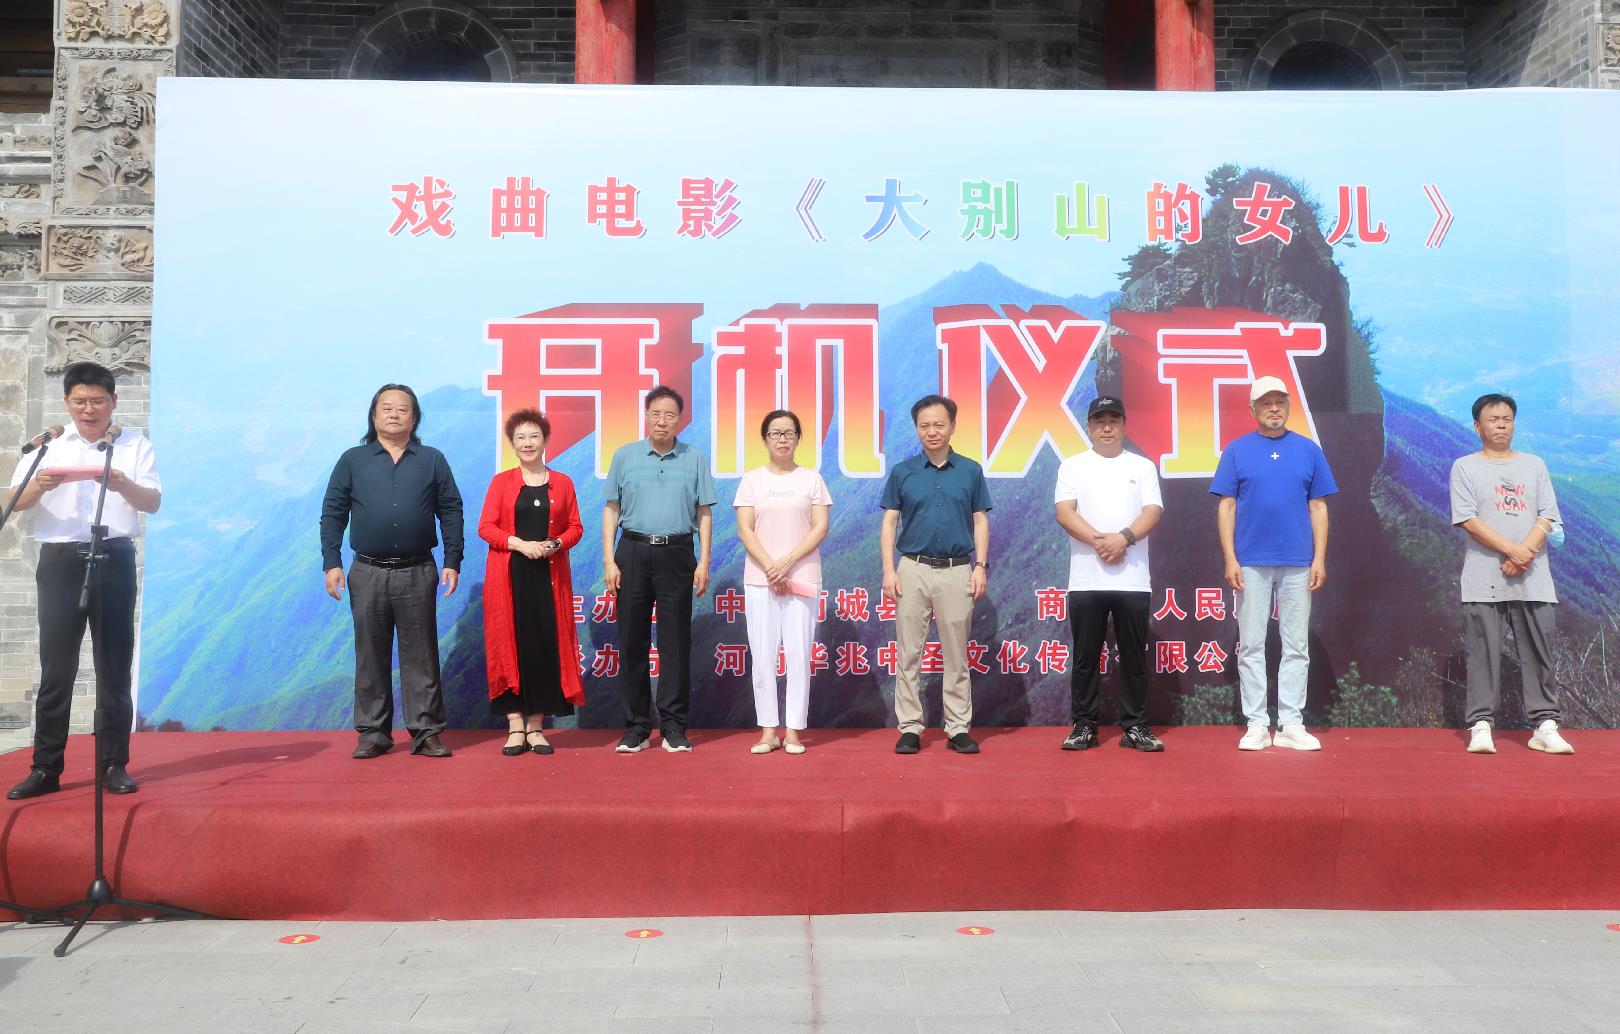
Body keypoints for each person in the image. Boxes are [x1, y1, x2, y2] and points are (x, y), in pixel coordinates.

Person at [6, 362, 160, 799]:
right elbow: (14, 502)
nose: (88, 409)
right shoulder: (49, 446)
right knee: (56, 668)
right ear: (67, 403)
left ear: (113, 401)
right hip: (59, 562)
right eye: (80, 401)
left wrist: (123, 484)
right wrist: (40, 485)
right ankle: (45, 768)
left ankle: (113, 764)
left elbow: (152, 502)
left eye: (97, 401)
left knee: (114, 665)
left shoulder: (134, 445)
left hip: (114, 557)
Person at [320, 384, 463, 760]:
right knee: (370, 654)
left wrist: (452, 560)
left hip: (418, 570)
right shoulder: (353, 460)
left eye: (403, 409)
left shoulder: (432, 459)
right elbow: (333, 513)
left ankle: (426, 732)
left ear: (414, 418)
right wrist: (331, 562)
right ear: (374, 415)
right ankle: (373, 733)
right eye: (387, 408)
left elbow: (451, 510)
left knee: (421, 655)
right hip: (367, 571)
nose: (394, 414)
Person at [1210, 375, 1337, 752]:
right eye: (1266, 403)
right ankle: (1256, 724)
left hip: (1298, 561)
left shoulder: (1308, 450)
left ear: (1289, 406)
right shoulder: (1237, 451)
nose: (1274, 409)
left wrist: (1319, 557)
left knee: (1296, 645)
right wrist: (1230, 557)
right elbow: (1226, 506)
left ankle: (1291, 724)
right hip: (1251, 561)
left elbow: (1318, 506)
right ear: (1253, 409)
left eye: (1280, 402)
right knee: (1251, 644)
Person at [1449, 393, 1574, 755]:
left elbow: (1548, 515)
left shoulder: (1534, 465)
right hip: (1482, 578)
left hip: (1533, 578)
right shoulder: (1465, 467)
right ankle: (1481, 725)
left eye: (1507, 419)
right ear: (1478, 427)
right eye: (1493, 419)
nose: (1501, 425)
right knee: (1482, 654)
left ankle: (1545, 725)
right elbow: (1468, 519)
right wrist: (1512, 550)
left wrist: (1523, 554)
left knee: (1539, 652)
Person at [603, 386, 715, 753]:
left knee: (675, 643)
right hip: (632, 551)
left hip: (678, 554)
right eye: (656, 414)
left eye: (670, 415)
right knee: (631, 642)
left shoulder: (693, 457)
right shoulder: (625, 456)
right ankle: (636, 727)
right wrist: (609, 560)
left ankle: (673, 727)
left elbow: (704, 512)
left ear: (680, 419)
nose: (662, 421)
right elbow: (612, 509)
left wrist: (704, 561)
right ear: (646, 416)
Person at [880, 394, 991, 755]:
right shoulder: (903, 472)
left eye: (939, 424)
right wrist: (888, 570)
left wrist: (980, 566)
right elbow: (890, 522)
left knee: (956, 654)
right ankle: (910, 727)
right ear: (916, 429)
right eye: (924, 425)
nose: (932, 431)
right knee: (908, 653)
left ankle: (957, 727)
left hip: (957, 570)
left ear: (953, 426)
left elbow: (980, 520)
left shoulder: (970, 470)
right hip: (911, 569)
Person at [1053, 396, 1165, 752]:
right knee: (1086, 657)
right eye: (1099, 421)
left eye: (1113, 421)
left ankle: (1135, 726)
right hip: (1086, 579)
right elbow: (1064, 513)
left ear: (1123, 425)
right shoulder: (1073, 466)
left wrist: (1124, 538)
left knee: (1133, 656)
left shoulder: (1142, 467)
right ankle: (1084, 725)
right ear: (1089, 427)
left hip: (1133, 579)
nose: (1106, 428)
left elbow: (1152, 512)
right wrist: (1102, 542)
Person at [478, 409, 585, 756]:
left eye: (534, 436)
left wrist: (556, 544)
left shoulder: (563, 482)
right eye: (520, 437)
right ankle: (514, 726)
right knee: (510, 645)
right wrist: (521, 545)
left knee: (544, 646)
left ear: (545, 440)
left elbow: (575, 527)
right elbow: (486, 527)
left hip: (549, 577)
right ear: (512, 443)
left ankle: (536, 726)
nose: (527, 443)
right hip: (510, 575)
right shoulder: (501, 482)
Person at [734, 410, 832, 755]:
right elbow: (745, 529)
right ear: (765, 439)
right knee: (762, 655)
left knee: (798, 654)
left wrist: (787, 563)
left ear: (798, 438)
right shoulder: (752, 481)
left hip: (801, 577)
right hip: (760, 579)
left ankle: (793, 731)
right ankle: (767, 731)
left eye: (789, 433)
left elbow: (820, 527)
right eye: (775, 433)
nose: (782, 439)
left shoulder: (812, 480)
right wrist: (770, 567)